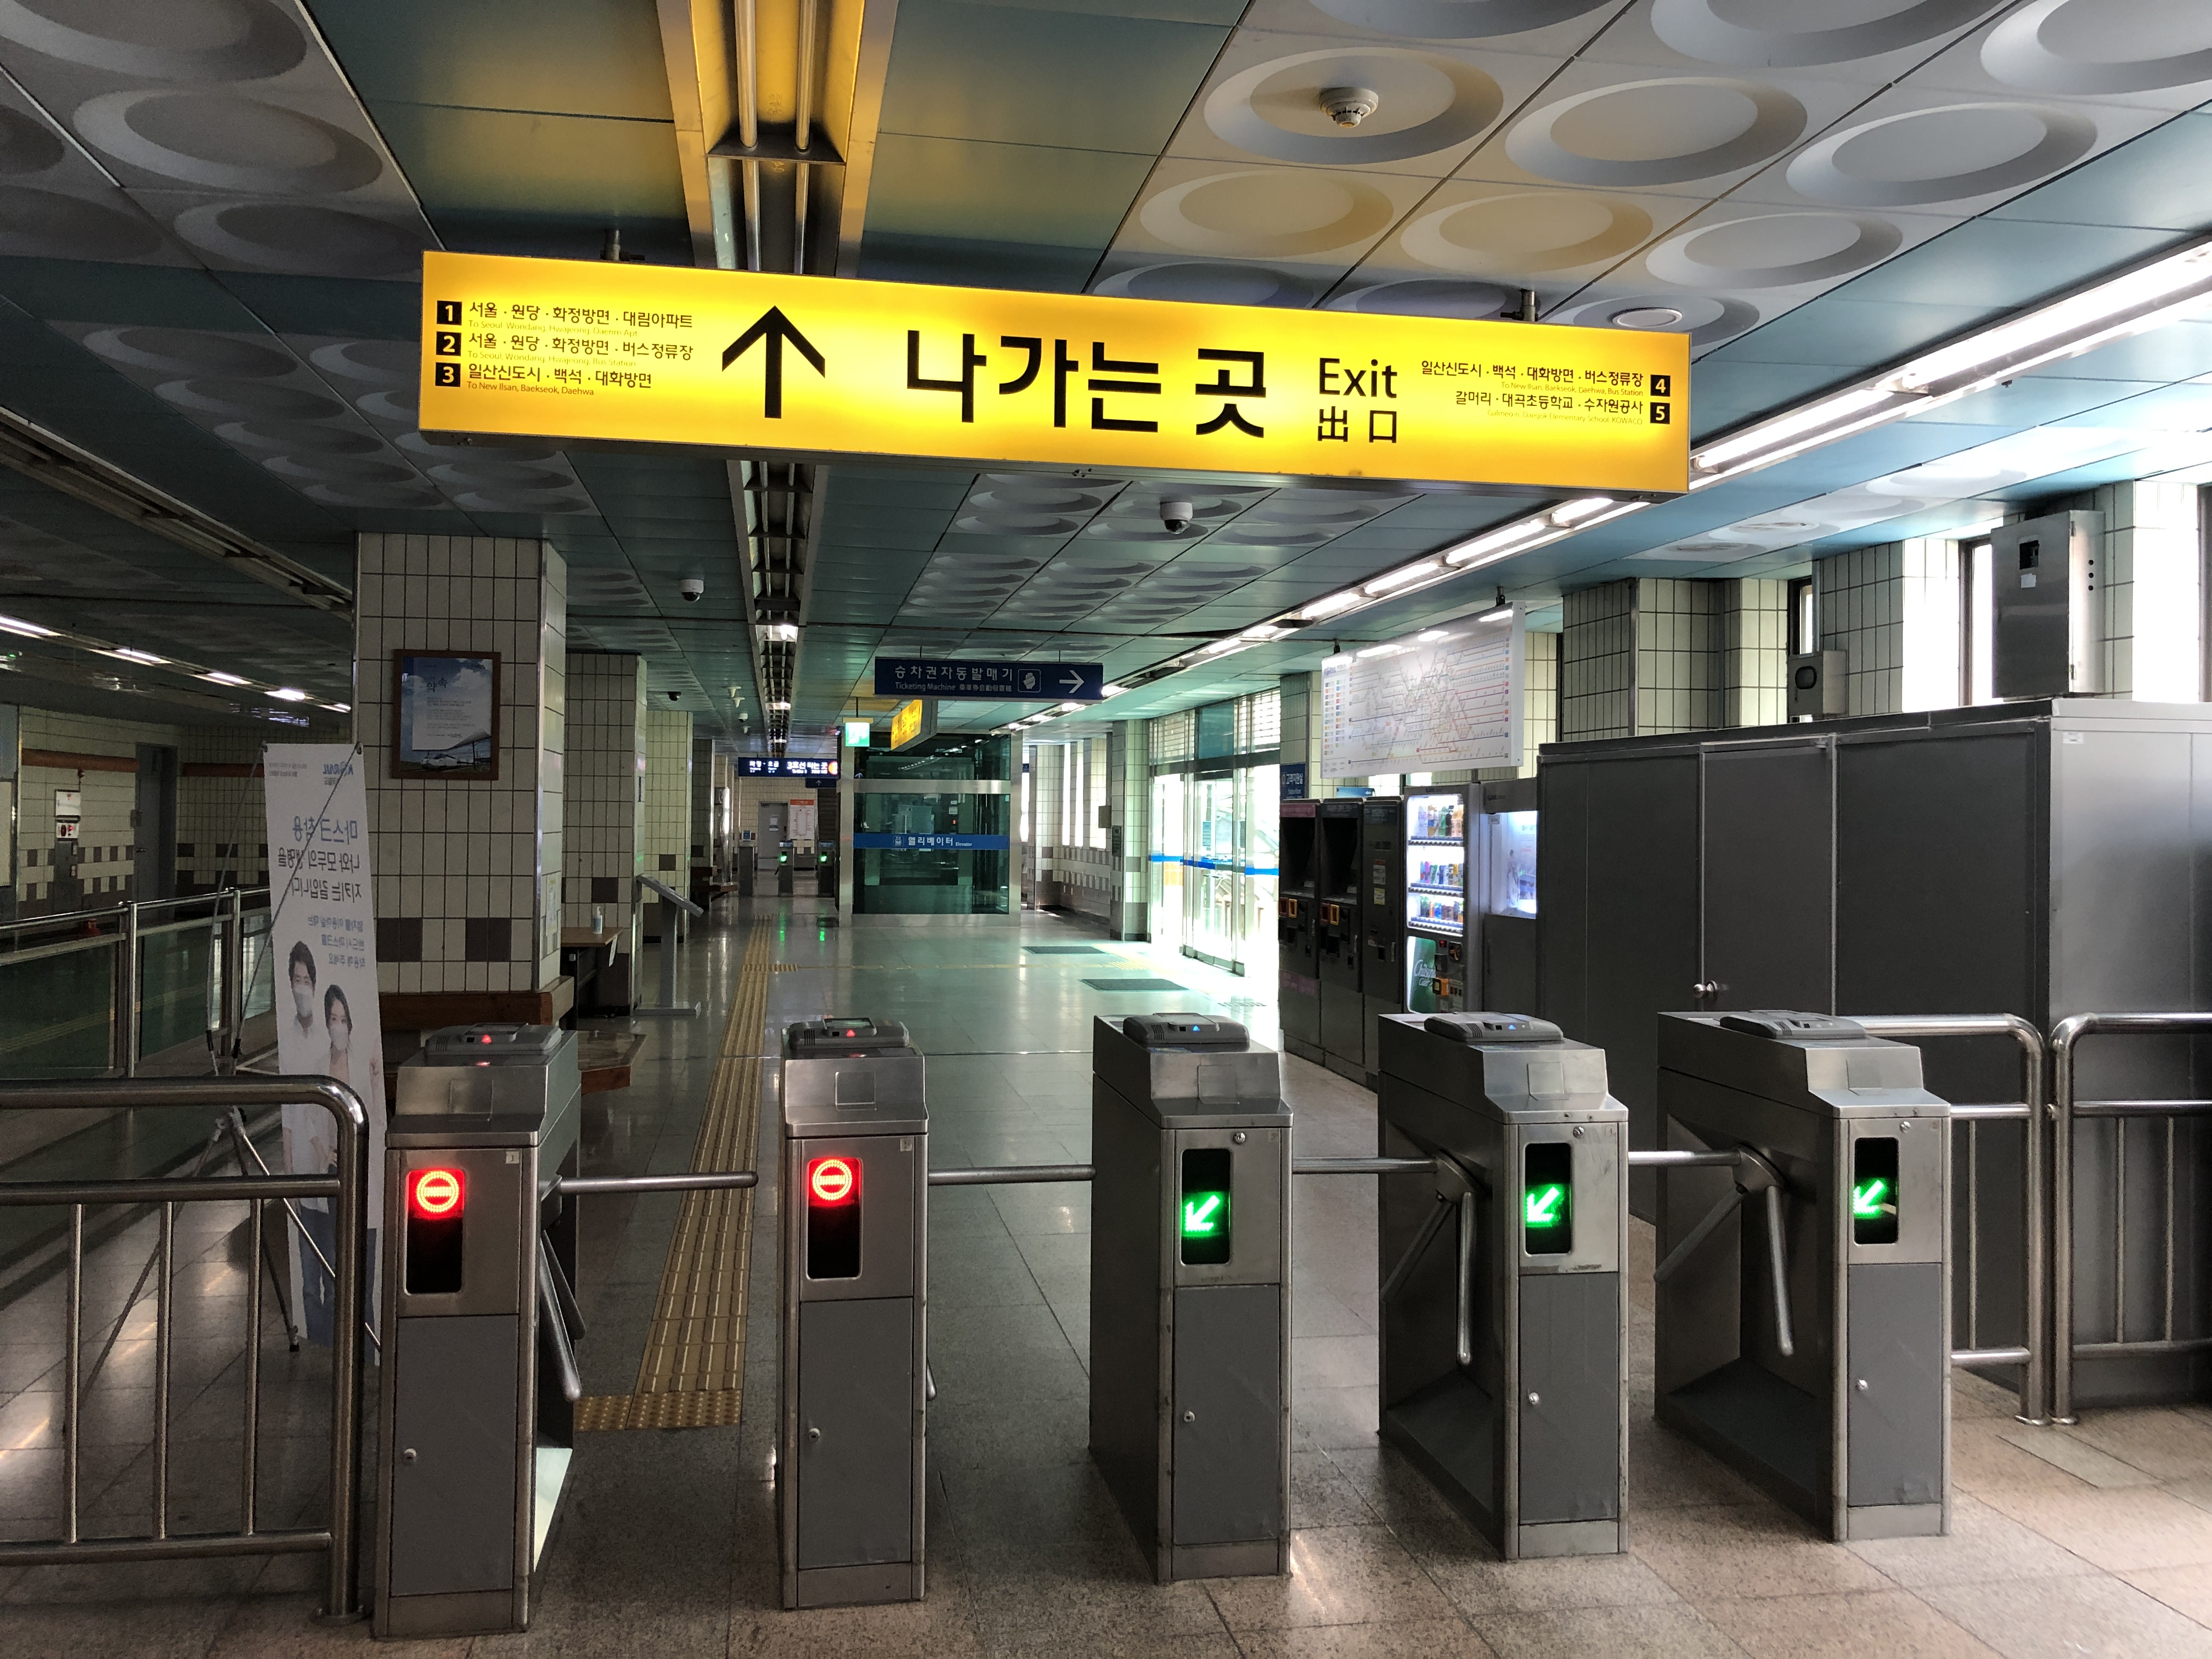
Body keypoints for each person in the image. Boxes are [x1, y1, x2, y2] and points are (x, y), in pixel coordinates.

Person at [285, 940, 328, 1075]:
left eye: (307, 981)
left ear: (314, 987)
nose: (302, 989)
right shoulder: (285, 1039)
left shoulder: (325, 1039)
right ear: (291, 985)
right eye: (298, 981)